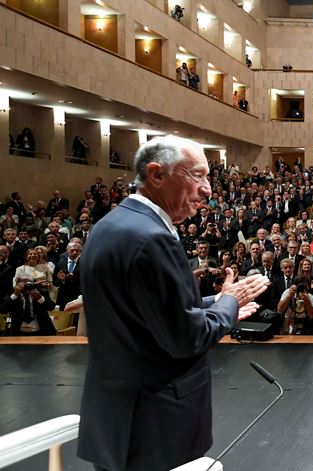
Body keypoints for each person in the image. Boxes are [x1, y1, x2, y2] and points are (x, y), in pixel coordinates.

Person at [77, 135, 269, 471]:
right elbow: (186, 338)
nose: (208, 189)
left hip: (116, 416)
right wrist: (229, 303)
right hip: (156, 423)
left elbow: (145, 309)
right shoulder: (153, 238)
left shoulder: (110, 226)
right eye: (196, 175)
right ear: (157, 174)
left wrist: (215, 301)